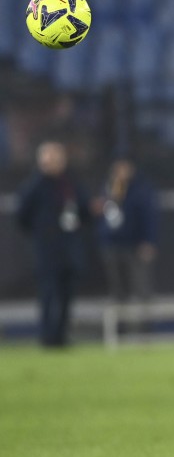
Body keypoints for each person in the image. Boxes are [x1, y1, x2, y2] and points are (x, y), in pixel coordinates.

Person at [15, 141, 93, 347]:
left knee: (68, 295)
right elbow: (22, 216)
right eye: (48, 158)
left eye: (56, 157)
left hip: (69, 248)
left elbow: (85, 211)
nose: (52, 162)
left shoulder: (71, 183)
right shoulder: (34, 185)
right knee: (48, 295)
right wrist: (42, 233)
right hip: (46, 250)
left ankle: (62, 336)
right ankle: (47, 337)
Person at [94, 157, 160, 302]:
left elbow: (149, 217)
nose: (121, 172)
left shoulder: (141, 189)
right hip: (112, 243)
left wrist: (148, 241)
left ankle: (142, 323)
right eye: (118, 168)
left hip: (135, 243)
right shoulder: (108, 188)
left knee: (141, 287)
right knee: (117, 290)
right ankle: (119, 324)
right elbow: (105, 213)